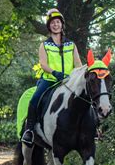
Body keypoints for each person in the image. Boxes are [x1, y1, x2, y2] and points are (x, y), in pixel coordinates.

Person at [21, 8, 83, 145]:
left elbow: (78, 64)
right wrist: (55, 73)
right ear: (49, 26)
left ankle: (92, 128)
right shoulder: (44, 45)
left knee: (85, 96)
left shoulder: (71, 45)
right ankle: (29, 130)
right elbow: (43, 64)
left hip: (68, 81)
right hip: (49, 80)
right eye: (53, 23)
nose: (56, 25)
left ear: (62, 24)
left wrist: (76, 76)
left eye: (58, 22)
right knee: (35, 98)